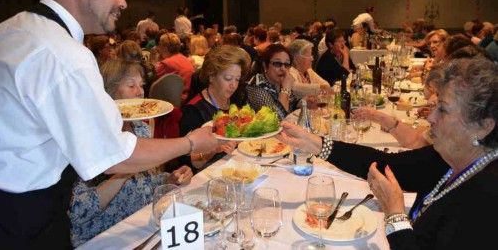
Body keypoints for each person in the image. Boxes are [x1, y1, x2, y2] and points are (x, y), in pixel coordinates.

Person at [0, 0, 218, 248]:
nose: (123, 2)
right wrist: (192, 142)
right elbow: (115, 157)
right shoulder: (63, 53)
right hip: (25, 216)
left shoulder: (13, 28)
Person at [277, 55, 498, 250]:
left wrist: (395, 215)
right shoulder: (450, 160)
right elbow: (385, 164)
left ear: (483, 126)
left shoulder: (487, 200)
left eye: (443, 109)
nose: (430, 118)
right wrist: (315, 144)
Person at [69, 59, 193, 247]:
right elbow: (78, 212)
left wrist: (170, 180)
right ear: (109, 93)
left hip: (142, 227)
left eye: (141, 85)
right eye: (131, 85)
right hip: (103, 237)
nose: (141, 92)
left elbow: (148, 181)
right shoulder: (88, 138)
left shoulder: (141, 129)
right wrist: (126, 170)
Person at [180, 45, 252, 171]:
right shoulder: (194, 110)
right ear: (211, 76)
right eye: (228, 78)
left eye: (237, 79)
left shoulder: (237, 99)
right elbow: (190, 164)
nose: (233, 85)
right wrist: (214, 150)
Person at [246, 44, 298, 120]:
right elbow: (277, 119)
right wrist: (285, 90)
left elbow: (291, 105)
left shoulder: (278, 81)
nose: (283, 69)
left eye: (286, 64)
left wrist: (304, 103)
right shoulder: (256, 86)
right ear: (265, 65)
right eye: (277, 64)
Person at [154, 32, 195, 102]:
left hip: (176, 101)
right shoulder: (184, 58)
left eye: (159, 45)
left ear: (165, 48)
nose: (158, 48)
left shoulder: (166, 64)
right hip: (188, 98)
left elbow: (153, 80)